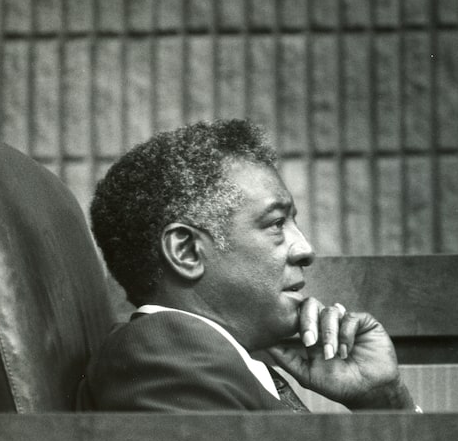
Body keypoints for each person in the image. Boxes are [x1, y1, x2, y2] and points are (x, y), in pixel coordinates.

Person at [77, 119, 417, 412]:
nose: (305, 250)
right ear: (187, 252)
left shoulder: (204, 359)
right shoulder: (164, 356)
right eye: (276, 223)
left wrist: (384, 402)